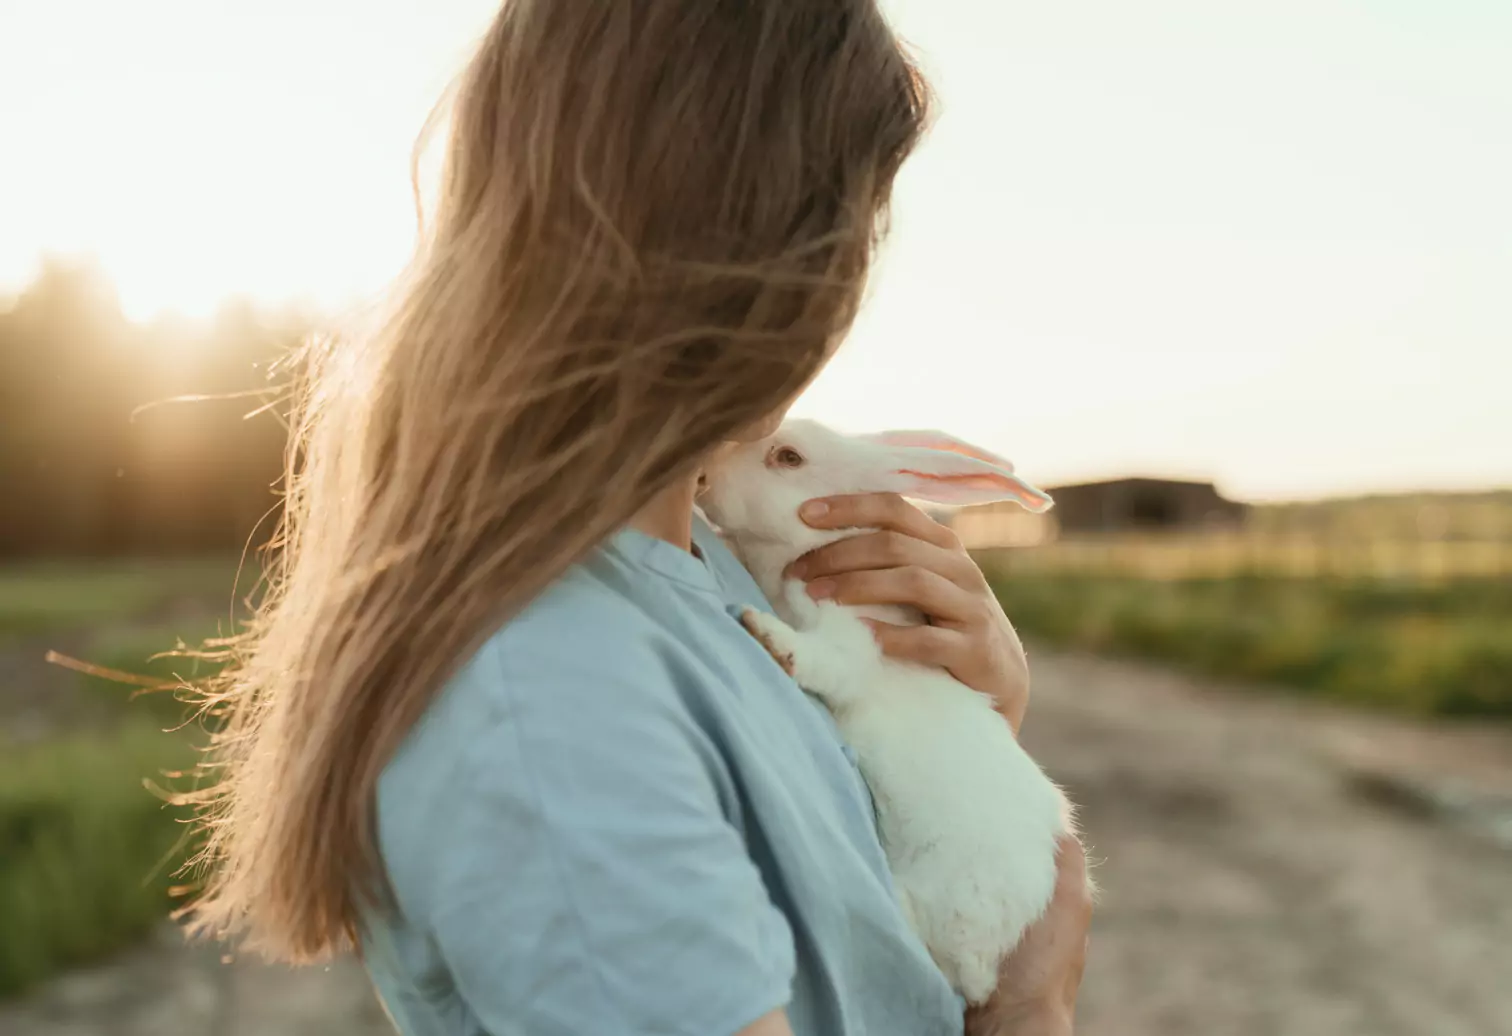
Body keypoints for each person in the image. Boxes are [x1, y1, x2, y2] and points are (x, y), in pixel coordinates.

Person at [181, 1, 1092, 1034]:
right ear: (767, 245)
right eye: (855, 226)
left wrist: (966, 732)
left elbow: (843, 922)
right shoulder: (547, 694)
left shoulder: (708, 566)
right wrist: (1028, 1008)